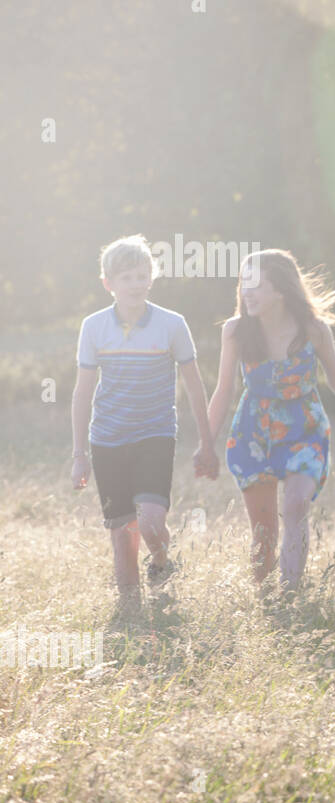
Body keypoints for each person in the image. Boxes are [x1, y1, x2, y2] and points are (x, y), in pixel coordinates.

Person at [206, 250, 335, 596]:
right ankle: (265, 601)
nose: (248, 292)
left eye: (257, 285)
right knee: (263, 531)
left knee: (295, 506)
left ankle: (290, 596)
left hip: (304, 430)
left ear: (281, 289)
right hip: (253, 432)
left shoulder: (314, 330)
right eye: (244, 283)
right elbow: (224, 389)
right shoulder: (235, 331)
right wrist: (206, 443)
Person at [71, 234, 219, 622]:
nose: (135, 284)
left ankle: (161, 560)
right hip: (107, 439)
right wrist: (79, 455)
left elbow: (193, 385)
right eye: (126, 278)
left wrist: (207, 442)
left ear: (151, 278)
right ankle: (131, 616)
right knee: (122, 535)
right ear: (108, 284)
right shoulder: (93, 327)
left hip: (155, 433)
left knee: (151, 523)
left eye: (141, 275)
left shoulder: (172, 324)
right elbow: (82, 392)